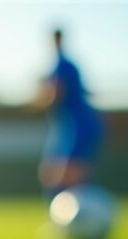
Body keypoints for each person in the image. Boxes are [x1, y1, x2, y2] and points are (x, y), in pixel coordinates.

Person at [37, 29, 103, 197]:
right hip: (67, 127)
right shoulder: (66, 65)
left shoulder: (63, 65)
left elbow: (56, 95)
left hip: (78, 125)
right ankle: (63, 215)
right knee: (52, 172)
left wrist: (38, 101)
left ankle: (78, 215)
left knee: (68, 175)